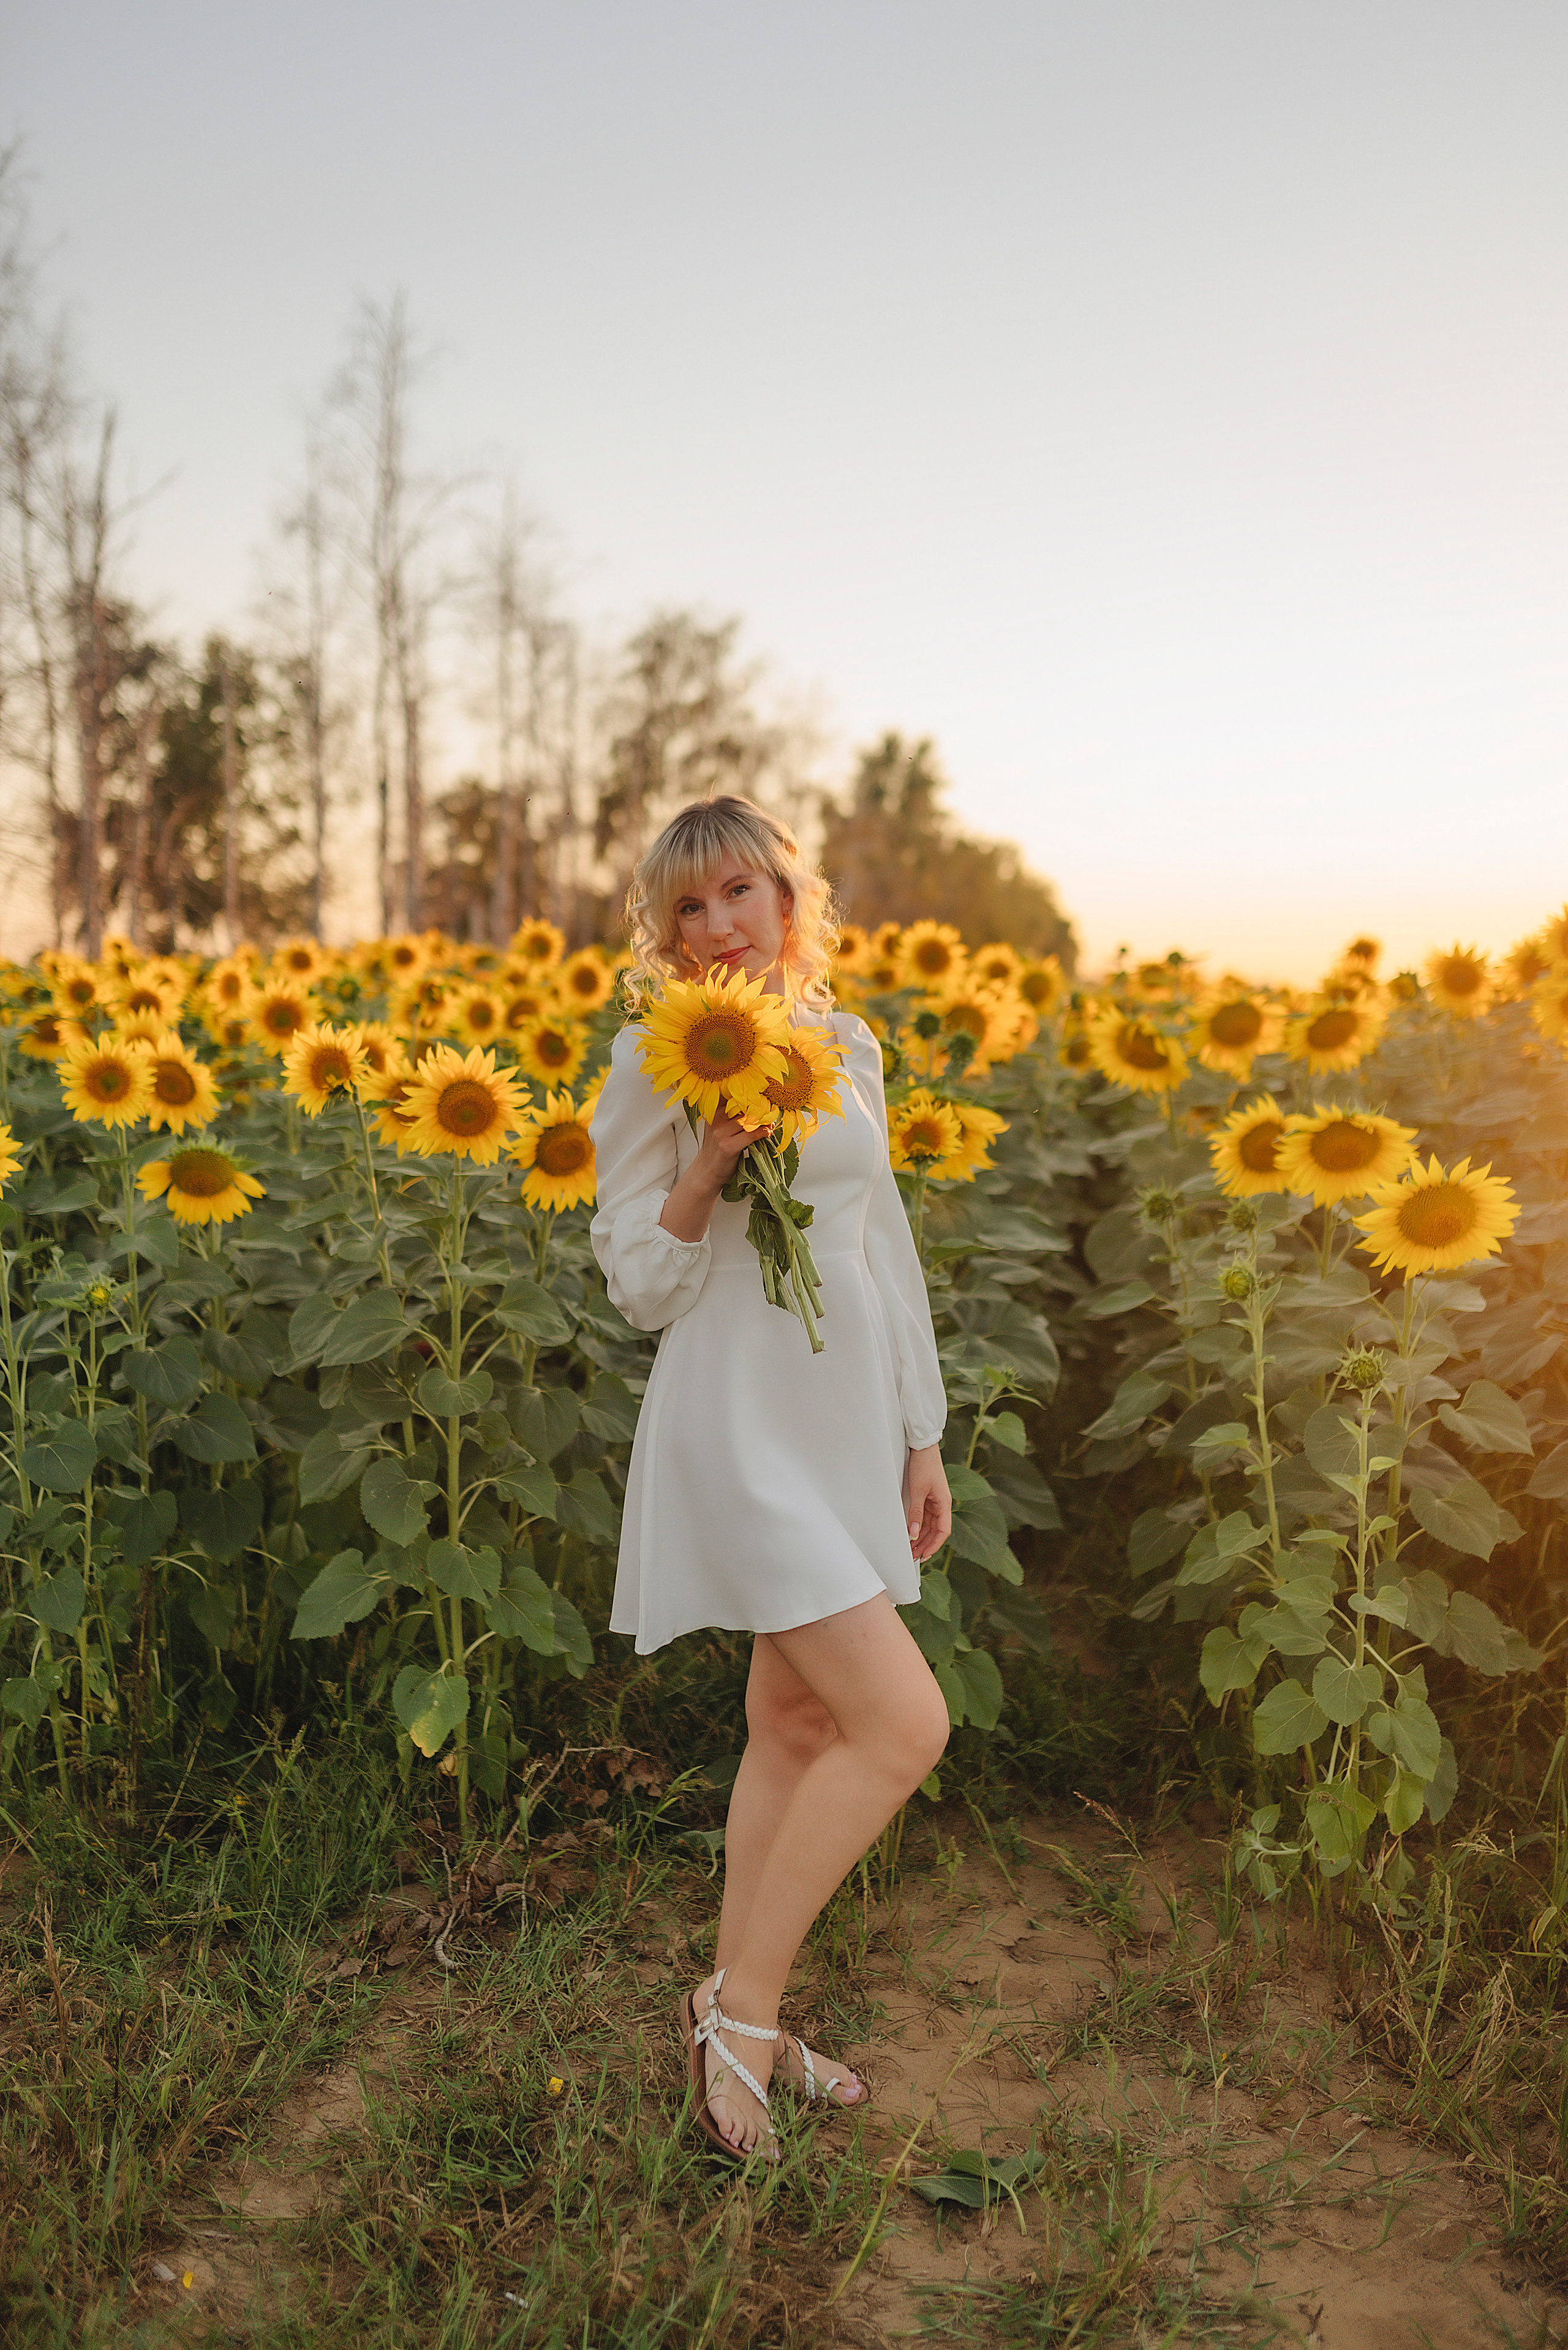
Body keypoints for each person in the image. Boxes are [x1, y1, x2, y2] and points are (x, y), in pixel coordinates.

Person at [589, 794, 952, 2162]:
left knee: (797, 1725)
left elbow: (878, 1245)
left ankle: (727, 2001)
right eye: (684, 907)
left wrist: (917, 1432)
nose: (714, 927)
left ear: (786, 899)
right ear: (664, 934)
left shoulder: (847, 1043)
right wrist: (711, 1159)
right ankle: (741, 2023)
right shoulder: (652, 1061)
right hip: (739, 1426)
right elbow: (639, 1283)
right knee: (900, 1725)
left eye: (736, 891)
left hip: (846, 1422)